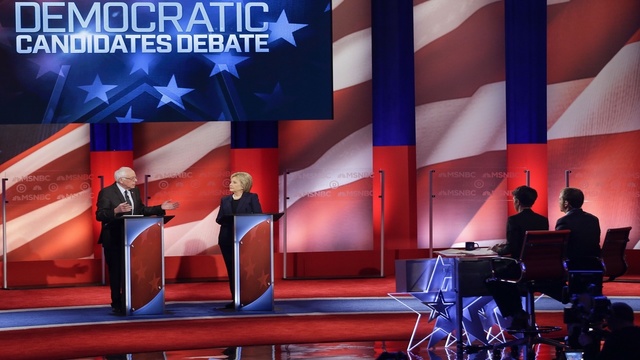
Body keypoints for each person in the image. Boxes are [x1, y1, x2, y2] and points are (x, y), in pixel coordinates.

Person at [95, 166, 179, 314]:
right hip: (114, 239)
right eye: (132, 178)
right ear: (121, 180)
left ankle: (132, 299)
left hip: (133, 239)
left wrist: (161, 207)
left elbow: (141, 211)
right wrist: (115, 211)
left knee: (132, 271)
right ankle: (117, 303)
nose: (135, 180)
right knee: (116, 272)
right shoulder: (107, 192)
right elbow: (100, 215)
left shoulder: (135, 191)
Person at [486, 185, 549, 330]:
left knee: (492, 279)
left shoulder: (514, 220)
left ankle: (516, 313)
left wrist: (498, 250)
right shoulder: (542, 220)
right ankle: (518, 314)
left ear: (517, 201)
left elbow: (512, 249)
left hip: (519, 268)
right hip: (539, 268)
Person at [215, 171, 262, 308]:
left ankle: (249, 298)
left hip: (245, 238)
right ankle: (235, 299)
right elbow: (219, 219)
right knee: (232, 270)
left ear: (243, 185)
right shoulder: (225, 200)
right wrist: (228, 219)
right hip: (227, 239)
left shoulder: (252, 198)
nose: (231, 184)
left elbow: (258, 216)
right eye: (231, 182)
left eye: (234, 182)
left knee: (246, 270)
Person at [555, 187, 602, 270]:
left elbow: (559, 248)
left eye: (560, 199)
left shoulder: (563, 221)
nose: (558, 202)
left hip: (573, 264)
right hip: (593, 263)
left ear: (566, 203)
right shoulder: (594, 219)